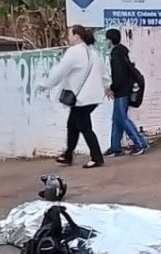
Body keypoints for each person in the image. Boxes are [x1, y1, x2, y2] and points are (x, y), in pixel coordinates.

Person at [38, 25, 110, 169]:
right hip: (93, 98)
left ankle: (96, 157)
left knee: (84, 127)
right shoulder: (93, 53)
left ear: (77, 36)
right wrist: (108, 87)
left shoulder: (74, 52)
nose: (68, 38)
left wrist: (46, 84)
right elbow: (104, 74)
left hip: (81, 99)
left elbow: (60, 72)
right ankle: (68, 155)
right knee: (73, 125)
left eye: (69, 35)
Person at [104, 29, 149, 157]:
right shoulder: (121, 53)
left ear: (110, 40)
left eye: (107, 39)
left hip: (122, 91)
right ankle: (115, 147)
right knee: (117, 119)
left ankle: (140, 144)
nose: (106, 42)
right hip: (124, 90)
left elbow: (119, 77)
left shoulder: (116, 55)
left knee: (122, 119)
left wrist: (112, 88)